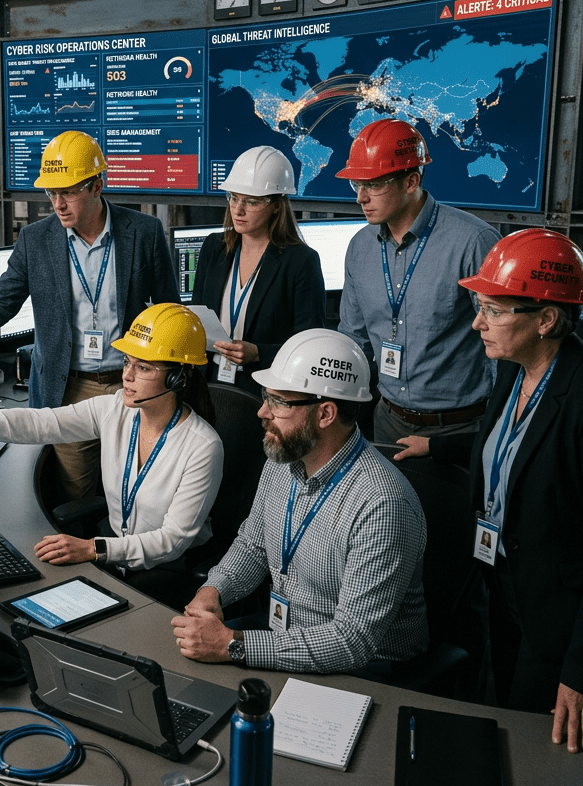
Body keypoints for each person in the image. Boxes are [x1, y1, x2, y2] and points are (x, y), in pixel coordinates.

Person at [0, 130, 178, 501]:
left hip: (133, 383)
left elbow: (168, 311)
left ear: (97, 186)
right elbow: (0, 302)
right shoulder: (36, 240)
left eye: (68, 192)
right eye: (51, 193)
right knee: (76, 494)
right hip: (69, 388)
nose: (58, 204)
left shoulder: (143, 232)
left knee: (142, 489)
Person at [394, 228, 583, 752]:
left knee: (535, 744)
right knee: (501, 706)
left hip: (553, 615)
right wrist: (438, 447)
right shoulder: (513, 370)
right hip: (499, 583)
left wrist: (579, 670)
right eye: (480, 307)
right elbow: (507, 441)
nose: (477, 323)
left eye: (494, 311)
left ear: (546, 319)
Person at [0, 304, 223, 608]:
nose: (127, 375)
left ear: (178, 378)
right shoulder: (115, 409)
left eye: (143, 367)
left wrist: (92, 549)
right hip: (112, 552)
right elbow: (42, 423)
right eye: (127, 362)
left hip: (167, 567)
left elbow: (172, 541)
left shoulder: (202, 446)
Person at [171, 328, 428, 674]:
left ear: (325, 414)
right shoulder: (283, 459)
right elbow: (253, 546)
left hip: (366, 669)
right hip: (284, 633)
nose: (262, 412)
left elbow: (351, 641)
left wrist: (231, 645)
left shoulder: (382, 504)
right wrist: (213, 591)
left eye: (279, 401)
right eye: (266, 397)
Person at [336, 119, 500, 445]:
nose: (361, 198)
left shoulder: (473, 242)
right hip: (387, 421)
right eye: (357, 184)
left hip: (458, 430)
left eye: (374, 185)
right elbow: (353, 340)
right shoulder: (360, 247)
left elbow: (504, 344)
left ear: (411, 181)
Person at [192, 145, 325, 393]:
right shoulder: (214, 247)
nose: (238, 210)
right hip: (208, 383)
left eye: (251, 202)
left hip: (264, 388)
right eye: (234, 198)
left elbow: (309, 345)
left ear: (276, 205)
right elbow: (197, 314)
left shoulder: (301, 261)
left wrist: (258, 353)